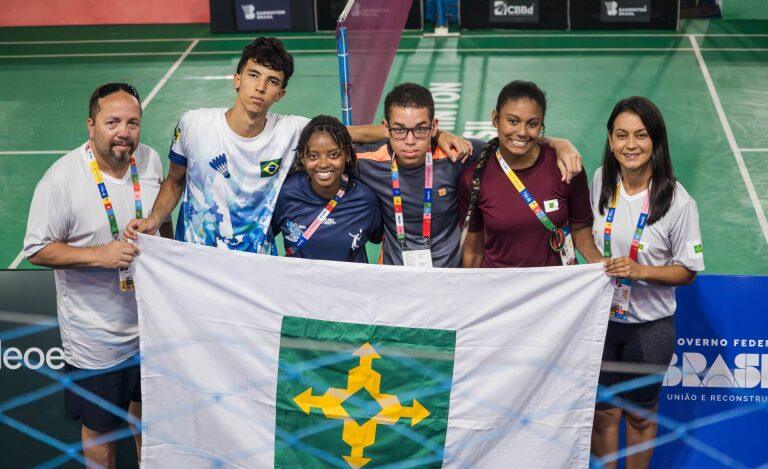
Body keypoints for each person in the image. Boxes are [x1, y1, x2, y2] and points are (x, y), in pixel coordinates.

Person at [125, 38, 469, 251]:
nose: (260, 87)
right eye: (253, 75)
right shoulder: (193, 124)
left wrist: (436, 136)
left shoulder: (293, 131)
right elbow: (175, 181)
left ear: (281, 93)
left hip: (258, 265)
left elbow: (357, 133)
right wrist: (155, 219)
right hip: (197, 259)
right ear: (237, 79)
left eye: (272, 81)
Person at [23, 83, 172, 469]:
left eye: (132, 122)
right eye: (112, 122)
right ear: (91, 126)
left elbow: (162, 220)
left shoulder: (150, 160)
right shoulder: (61, 180)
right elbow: (37, 249)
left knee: (147, 409)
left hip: (149, 323)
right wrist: (100, 256)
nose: (124, 132)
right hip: (96, 335)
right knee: (100, 425)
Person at [589, 97, 704, 469]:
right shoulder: (601, 180)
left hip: (649, 327)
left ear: (655, 141)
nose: (631, 144)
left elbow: (688, 270)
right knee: (604, 413)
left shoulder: (677, 201)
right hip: (603, 322)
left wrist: (640, 271)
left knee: (639, 415)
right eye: (622, 135)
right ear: (610, 139)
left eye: (640, 135)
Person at [356, 82, 585, 268]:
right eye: (399, 130)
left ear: (433, 127)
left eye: (421, 129)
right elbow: (335, 136)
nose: (410, 140)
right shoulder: (366, 162)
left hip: (452, 281)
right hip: (397, 279)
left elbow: (514, 142)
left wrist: (558, 143)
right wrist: (440, 134)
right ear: (386, 128)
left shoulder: (457, 154)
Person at [458, 80, 602, 268]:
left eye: (532, 124)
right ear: (495, 119)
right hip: (500, 284)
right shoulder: (475, 179)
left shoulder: (565, 168)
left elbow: (580, 228)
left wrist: (599, 262)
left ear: (541, 125)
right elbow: (474, 251)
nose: (522, 132)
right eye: (513, 121)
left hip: (556, 284)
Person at [272, 115, 381, 262]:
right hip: (298, 278)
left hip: (350, 278)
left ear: (347, 154)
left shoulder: (366, 201)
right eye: (313, 156)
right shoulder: (286, 194)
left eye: (333, 155)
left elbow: (377, 238)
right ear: (302, 157)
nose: (323, 164)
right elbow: (264, 235)